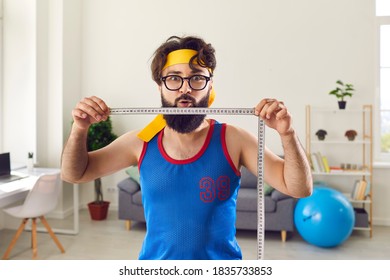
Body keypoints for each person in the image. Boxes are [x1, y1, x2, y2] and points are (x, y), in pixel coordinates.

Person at [61, 35, 313, 260]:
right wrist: (80, 129)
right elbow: (75, 173)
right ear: (159, 85)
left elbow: (298, 187)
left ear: (210, 85)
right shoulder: (140, 142)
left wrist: (287, 133)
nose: (185, 88)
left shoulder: (234, 139)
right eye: (174, 78)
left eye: (196, 78)